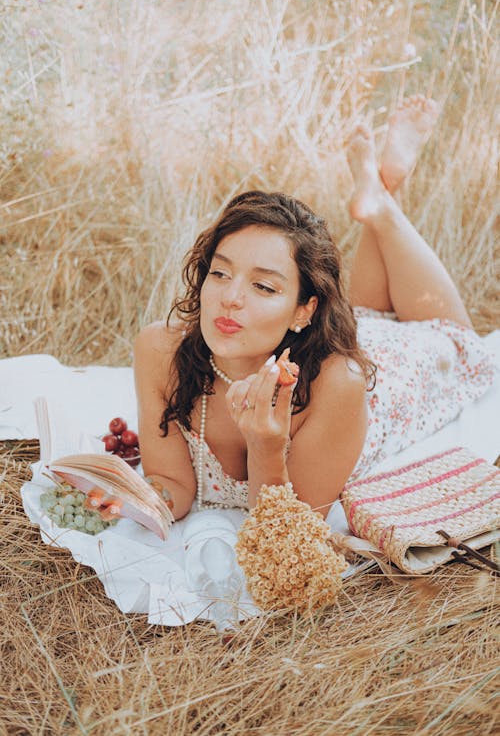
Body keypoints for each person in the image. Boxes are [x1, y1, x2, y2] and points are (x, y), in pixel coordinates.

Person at [134, 96, 494, 521]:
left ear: (303, 311)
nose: (230, 298)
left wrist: (267, 445)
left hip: (397, 368)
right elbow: (169, 485)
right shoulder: (160, 350)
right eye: (220, 274)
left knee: (455, 336)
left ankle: (381, 202)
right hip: (326, 331)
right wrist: (122, 499)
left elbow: (286, 530)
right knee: (365, 311)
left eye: (263, 286)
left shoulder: (338, 385)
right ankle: (379, 194)